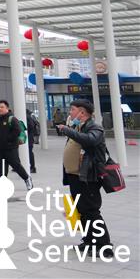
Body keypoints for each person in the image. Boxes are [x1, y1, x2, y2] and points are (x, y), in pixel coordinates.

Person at [55, 99, 114, 258]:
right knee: (81, 210)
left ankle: (104, 247)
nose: (70, 113)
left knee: (91, 210)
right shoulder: (77, 126)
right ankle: (89, 240)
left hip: (89, 177)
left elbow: (90, 140)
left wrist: (68, 130)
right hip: (76, 176)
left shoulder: (95, 127)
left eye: (72, 110)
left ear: (82, 112)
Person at [0, 99, 33, 190]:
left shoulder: (12, 119)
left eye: (2, 107)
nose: (0, 109)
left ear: (7, 108)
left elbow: (17, 131)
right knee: (2, 168)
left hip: (11, 148)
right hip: (0, 149)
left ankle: (27, 178)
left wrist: (8, 139)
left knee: (16, 166)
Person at [26, 107, 39, 174]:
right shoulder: (30, 117)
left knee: (29, 152)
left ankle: (33, 167)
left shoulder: (27, 118)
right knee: (29, 152)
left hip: (28, 138)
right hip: (30, 137)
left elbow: (30, 126)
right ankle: (32, 167)